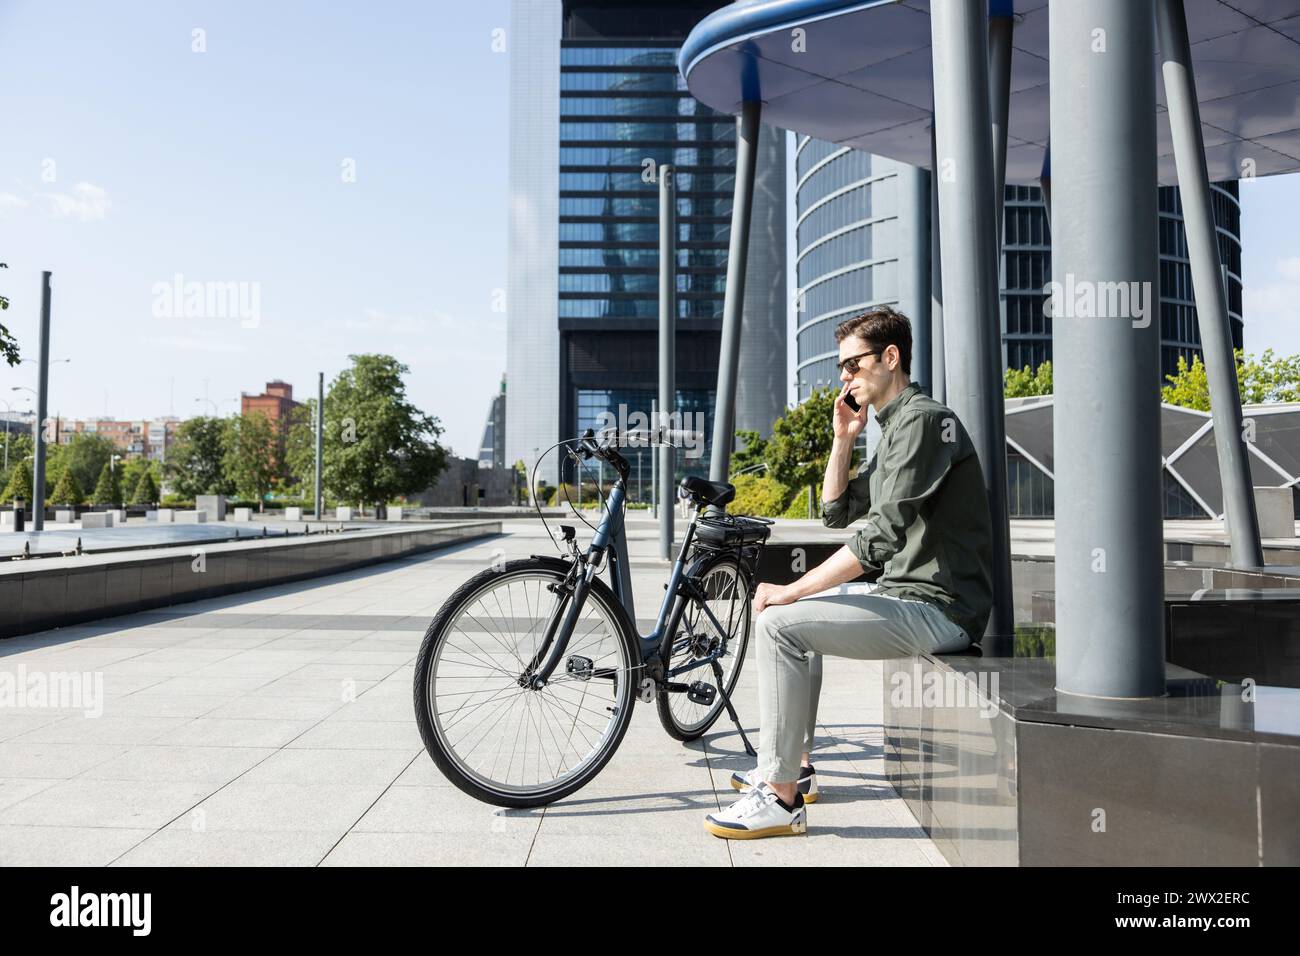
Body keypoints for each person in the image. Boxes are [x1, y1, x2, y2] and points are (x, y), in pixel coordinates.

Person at [704, 305, 994, 840]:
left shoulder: (926, 421)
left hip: (941, 608)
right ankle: (798, 769)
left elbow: (878, 536)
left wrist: (791, 587)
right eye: (841, 368)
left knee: (779, 623)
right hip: (907, 596)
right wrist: (844, 438)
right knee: (795, 620)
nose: (844, 376)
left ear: (891, 357)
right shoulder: (896, 430)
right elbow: (836, 513)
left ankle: (780, 794)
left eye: (853, 365)